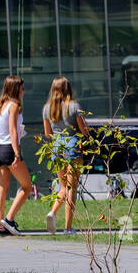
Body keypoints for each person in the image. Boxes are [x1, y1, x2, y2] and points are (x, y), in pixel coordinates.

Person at [43, 76, 89, 235]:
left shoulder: (47, 108)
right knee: (71, 189)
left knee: (63, 187)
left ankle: (53, 212)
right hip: (73, 147)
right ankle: (68, 228)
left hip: (57, 148)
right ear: (68, 88)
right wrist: (89, 138)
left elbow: (47, 134)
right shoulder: (75, 106)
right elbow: (84, 130)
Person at [0, 75, 31, 236]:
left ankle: (0, 227)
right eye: (22, 88)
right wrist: (17, 153)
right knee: (26, 186)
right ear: (15, 89)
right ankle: (9, 219)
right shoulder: (13, 106)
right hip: (9, 150)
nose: (24, 91)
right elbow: (13, 131)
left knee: (1, 189)